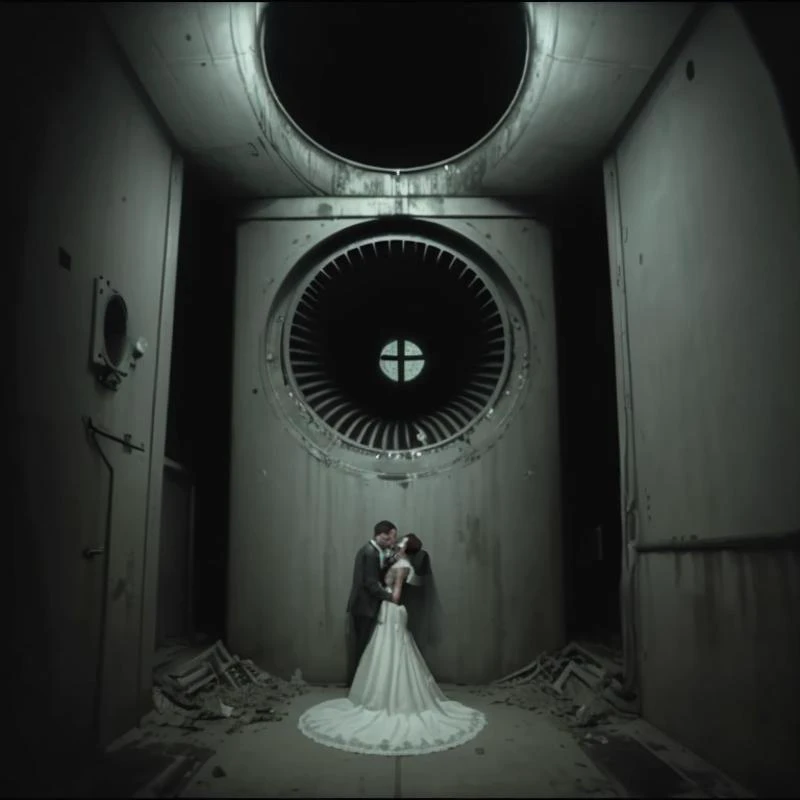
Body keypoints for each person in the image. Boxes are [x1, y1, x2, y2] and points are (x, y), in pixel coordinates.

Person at [299, 534, 487, 756]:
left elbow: (397, 597)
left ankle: (392, 702)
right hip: (388, 611)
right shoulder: (398, 563)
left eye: (401, 544)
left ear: (406, 550)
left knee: (393, 652)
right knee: (384, 651)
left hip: (392, 610)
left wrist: (382, 591)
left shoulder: (402, 566)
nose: (396, 545)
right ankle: (379, 698)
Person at [345, 520, 398, 685]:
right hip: (364, 607)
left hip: (364, 606)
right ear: (380, 535)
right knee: (362, 646)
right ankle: (356, 684)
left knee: (363, 645)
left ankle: (358, 684)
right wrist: (390, 597)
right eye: (389, 537)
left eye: (393, 538)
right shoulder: (370, 553)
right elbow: (371, 583)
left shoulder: (374, 551)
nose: (391, 541)